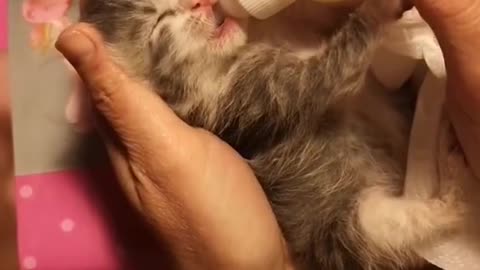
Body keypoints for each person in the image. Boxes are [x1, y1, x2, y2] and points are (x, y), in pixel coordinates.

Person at [52, 0, 480, 269]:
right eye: (165, 21)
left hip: (386, 136)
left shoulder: (232, 51)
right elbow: (316, 83)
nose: (201, 6)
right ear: (152, 83)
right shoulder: (225, 98)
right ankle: (447, 210)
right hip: (341, 216)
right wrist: (372, 18)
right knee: (366, 233)